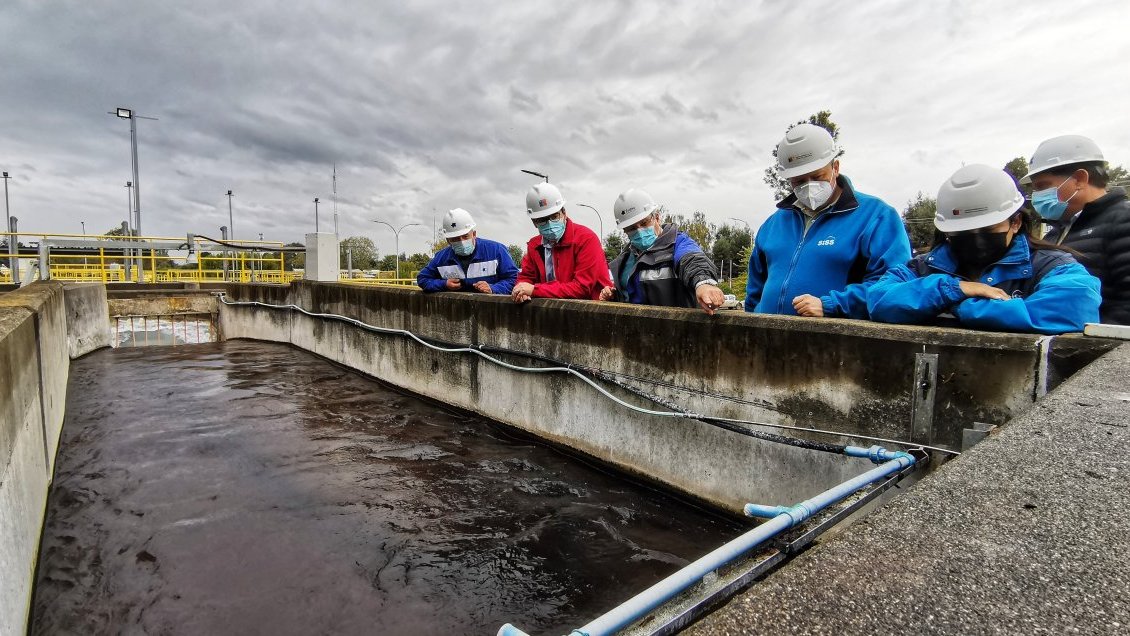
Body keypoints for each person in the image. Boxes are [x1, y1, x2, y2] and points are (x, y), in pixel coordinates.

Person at [867, 164, 1100, 334]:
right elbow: (879, 299)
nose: (975, 239)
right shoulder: (926, 266)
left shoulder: (1050, 266)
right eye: (961, 232)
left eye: (987, 229)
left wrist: (962, 306)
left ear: (1015, 222)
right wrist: (952, 289)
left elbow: (1072, 309)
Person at [745, 123, 911, 318]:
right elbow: (755, 290)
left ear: (836, 167)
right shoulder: (773, 224)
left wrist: (833, 304)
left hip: (837, 343)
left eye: (817, 176)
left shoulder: (876, 216)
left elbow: (894, 287)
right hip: (770, 341)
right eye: (798, 181)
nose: (809, 186)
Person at [1021, 135, 1130, 325]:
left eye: (1042, 186)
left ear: (1080, 179)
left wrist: (1085, 336)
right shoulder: (1056, 232)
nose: (1036, 196)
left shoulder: (1123, 221)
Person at [599, 189, 726, 314]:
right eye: (631, 228)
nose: (639, 231)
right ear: (625, 231)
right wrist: (615, 296)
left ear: (657, 218)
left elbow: (693, 260)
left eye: (644, 223)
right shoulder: (625, 260)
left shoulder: (679, 243)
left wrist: (703, 283)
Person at [511, 182, 612, 303]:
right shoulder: (535, 245)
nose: (549, 224)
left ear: (564, 213)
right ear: (534, 223)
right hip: (554, 311)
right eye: (542, 220)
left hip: (590, 312)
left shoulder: (586, 239)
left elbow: (582, 288)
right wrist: (521, 291)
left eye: (554, 216)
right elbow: (526, 277)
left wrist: (534, 290)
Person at [416, 207, 518, 294]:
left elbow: (514, 279)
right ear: (448, 240)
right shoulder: (441, 258)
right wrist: (444, 284)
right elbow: (423, 279)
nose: (461, 242)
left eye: (465, 236)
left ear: (474, 234)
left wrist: (493, 288)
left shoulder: (496, 251)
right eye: (455, 239)